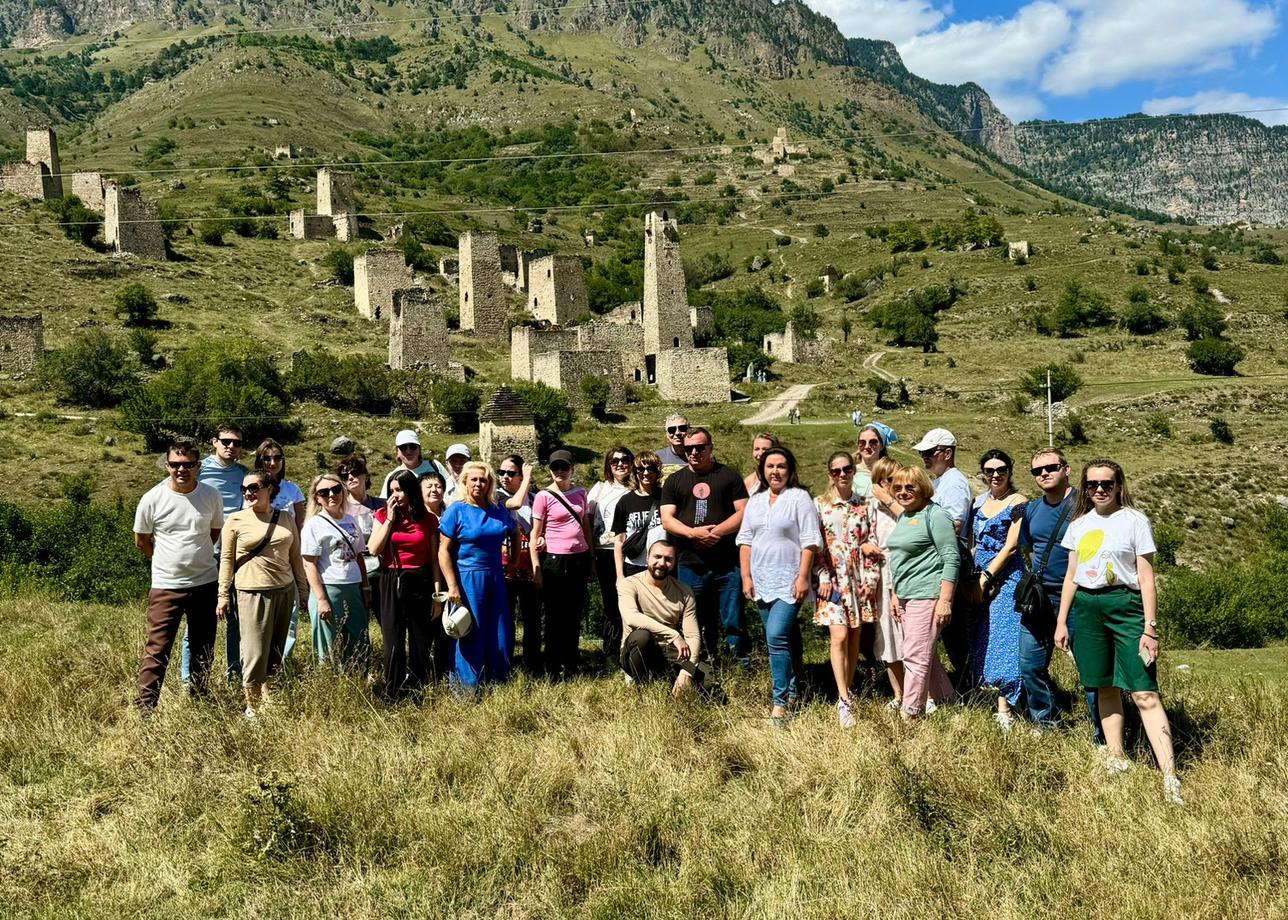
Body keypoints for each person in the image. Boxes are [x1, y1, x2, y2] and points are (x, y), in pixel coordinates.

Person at [1055, 460, 1181, 804]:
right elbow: (1071, 575)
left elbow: (1146, 578)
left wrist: (1149, 628)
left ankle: (1170, 776)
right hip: (1087, 607)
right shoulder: (1078, 525)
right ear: (1085, 486)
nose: (1099, 490)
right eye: (1093, 484)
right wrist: (1062, 621)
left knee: (1144, 692)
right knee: (1104, 686)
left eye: (1106, 484)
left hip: (1126, 607)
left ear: (1118, 485)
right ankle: (1116, 757)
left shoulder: (1135, 521)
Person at [134, 439, 225, 711]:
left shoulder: (211, 495)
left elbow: (213, 533)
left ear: (198, 466)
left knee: (203, 646)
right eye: (175, 464)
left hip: (205, 583)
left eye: (187, 465)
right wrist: (168, 562)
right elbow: (142, 541)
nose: (181, 470)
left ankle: (199, 700)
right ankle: (145, 708)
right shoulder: (152, 499)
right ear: (166, 466)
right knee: (157, 649)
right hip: (166, 586)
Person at [1021, 449, 1102, 739]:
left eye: (1051, 467)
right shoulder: (1032, 509)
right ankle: (1046, 723)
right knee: (1030, 664)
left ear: (1066, 469)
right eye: (1037, 470)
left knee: (1090, 670)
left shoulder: (1085, 503)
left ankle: (1103, 735)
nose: (1044, 473)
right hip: (1040, 599)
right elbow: (1028, 547)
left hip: (1081, 598)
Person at [736, 446, 820, 726]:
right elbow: (745, 540)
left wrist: (802, 578)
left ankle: (779, 703)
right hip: (761, 580)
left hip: (789, 580)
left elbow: (809, 541)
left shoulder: (799, 498)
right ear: (762, 470)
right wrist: (746, 577)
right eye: (770, 466)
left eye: (781, 466)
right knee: (788, 638)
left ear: (790, 469)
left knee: (776, 638)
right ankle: (796, 689)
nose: (775, 471)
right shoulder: (756, 500)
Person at [217, 469, 308, 719]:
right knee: (254, 651)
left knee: (276, 650)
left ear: (270, 489)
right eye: (244, 489)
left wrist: (303, 588)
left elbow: (296, 557)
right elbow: (226, 560)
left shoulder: (286, 518)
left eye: (254, 487)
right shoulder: (235, 521)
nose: (249, 493)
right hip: (251, 592)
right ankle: (251, 707)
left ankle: (270, 700)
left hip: (284, 590)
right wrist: (223, 595)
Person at [661, 427, 750, 667]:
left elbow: (744, 512)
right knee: (694, 621)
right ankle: (700, 667)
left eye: (700, 447)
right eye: (689, 448)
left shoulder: (729, 476)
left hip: (726, 564)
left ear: (711, 447)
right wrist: (692, 533)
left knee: (733, 620)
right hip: (691, 564)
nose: (694, 452)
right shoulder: (675, 480)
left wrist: (717, 533)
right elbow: (667, 518)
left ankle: (740, 669)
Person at [813, 450, 881, 727]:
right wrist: (821, 576)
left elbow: (873, 546)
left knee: (854, 636)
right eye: (836, 470)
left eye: (847, 470)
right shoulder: (819, 505)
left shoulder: (866, 505)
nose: (842, 475)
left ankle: (848, 691)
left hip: (858, 579)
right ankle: (843, 698)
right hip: (831, 578)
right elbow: (814, 546)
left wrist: (871, 581)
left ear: (853, 472)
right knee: (839, 636)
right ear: (829, 474)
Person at [885, 466, 957, 720]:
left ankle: (911, 713)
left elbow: (951, 558)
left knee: (914, 656)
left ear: (923, 488)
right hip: (905, 595)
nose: (903, 492)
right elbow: (900, 558)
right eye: (898, 488)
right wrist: (895, 594)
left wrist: (945, 600)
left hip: (927, 595)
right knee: (926, 654)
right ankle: (949, 702)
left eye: (909, 487)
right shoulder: (905, 515)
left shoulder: (935, 515)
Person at [967, 450, 1029, 731]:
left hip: (1006, 577)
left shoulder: (1018, 502)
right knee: (984, 634)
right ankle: (987, 693)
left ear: (1009, 471)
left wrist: (987, 577)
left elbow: (1012, 545)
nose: (995, 475)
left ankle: (1006, 707)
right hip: (980, 573)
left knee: (1005, 636)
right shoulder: (979, 502)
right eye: (989, 470)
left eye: (1001, 469)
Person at [440, 462, 515, 691]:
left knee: (500, 631)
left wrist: (512, 562)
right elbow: (443, 551)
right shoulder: (456, 510)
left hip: (495, 577)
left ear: (489, 483)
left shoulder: (497, 509)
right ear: (465, 482)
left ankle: (498, 682)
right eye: (474, 479)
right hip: (467, 578)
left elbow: (515, 531)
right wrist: (452, 586)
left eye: (483, 480)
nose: (479, 484)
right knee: (470, 630)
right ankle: (467, 689)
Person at [181, 424, 247, 686]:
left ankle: (235, 675)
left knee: (237, 619)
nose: (231, 446)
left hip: (236, 556)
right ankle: (190, 680)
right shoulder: (198, 469)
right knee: (198, 620)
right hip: (205, 555)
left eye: (237, 443)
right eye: (226, 441)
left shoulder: (244, 474)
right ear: (214, 442)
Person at [368, 469, 441, 700]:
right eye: (392, 491)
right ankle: (394, 691)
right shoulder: (382, 514)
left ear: (411, 491)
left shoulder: (428, 519)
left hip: (421, 580)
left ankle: (418, 688)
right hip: (391, 578)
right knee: (393, 641)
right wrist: (390, 519)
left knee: (419, 640)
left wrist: (438, 595)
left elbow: (435, 559)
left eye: (399, 490)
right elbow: (373, 549)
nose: (395, 495)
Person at [913, 427, 974, 689]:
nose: (925, 457)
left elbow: (954, 525)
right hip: (940, 559)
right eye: (924, 453)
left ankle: (969, 682)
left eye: (930, 452)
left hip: (947, 560)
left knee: (954, 627)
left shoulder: (955, 482)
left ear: (947, 454)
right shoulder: (942, 482)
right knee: (949, 629)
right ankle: (964, 681)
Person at [530, 450, 592, 681]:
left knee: (574, 614)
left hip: (579, 558)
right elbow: (536, 534)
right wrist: (537, 569)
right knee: (554, 615)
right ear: (550, 470)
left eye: (564, 467)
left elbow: (585, 529)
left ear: (572, 470)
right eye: (555, 467)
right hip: (555, 560)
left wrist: (591, 560)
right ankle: (553, 666)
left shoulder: (580, 494)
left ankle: (572, 662)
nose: (559, 471)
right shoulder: (543, 496)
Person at [300, 473, 371, 670]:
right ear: (316, 497)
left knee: (359, 638)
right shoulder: (314, 525)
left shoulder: (351, 520)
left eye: (336, 489)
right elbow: (309, 564)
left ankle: (359, 678)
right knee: (329, 642)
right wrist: (321, 599)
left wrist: (365, 587)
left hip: (353, 586)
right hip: (329, 588)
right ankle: (329, 682)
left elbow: (359, 556)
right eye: (324, 492)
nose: (331, 495)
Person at [617, 541, 703, 694]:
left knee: (709, 687)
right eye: (657, 557)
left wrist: (687, 672)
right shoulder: (629, 584)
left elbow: (693, 636)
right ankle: (642, 689)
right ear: (647, 558)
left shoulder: (685, 592)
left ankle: (669, 678)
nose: (662, 563)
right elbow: (631, 617)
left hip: (670, 655)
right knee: (642, 636)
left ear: (675, 563)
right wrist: (674, 634)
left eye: (668, 559)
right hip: (635, 651)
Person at [588, 445, 636, 658]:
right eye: (614, 460)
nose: (620, 464)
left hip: (633, 552)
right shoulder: (599, 489)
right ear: (608, 465)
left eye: (625, 459)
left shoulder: (638, 488)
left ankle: (633, 648)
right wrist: (590, 555)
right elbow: (587, 523)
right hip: (605, 551)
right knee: (611, 601)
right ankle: (611, 650)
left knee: (634, 601)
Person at [495, 455, 540, 675]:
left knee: (532, 619)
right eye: (501, 472)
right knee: (506, 619)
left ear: (520, 476)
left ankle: (532, 663)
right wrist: (527, 479)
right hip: (505, 569)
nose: (504, 477)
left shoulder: (536, 499)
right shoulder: (496, 497)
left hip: (530, 568)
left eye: (511, 473)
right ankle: (506, 662)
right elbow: (516, 503)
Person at [870, 456, 906, 710]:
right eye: (891, 480)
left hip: (905, 574)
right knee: (886, 638)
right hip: (880, 576)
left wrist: (891, 501)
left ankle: (921, 693)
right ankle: (899, 693)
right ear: (879, 482)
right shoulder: (871, 508)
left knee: (908, 636)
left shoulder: (905, 506)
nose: (897, 485)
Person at [613, 451, 664, 582]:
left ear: (657, 471)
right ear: (634, 472)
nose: (646, 473)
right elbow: (619, 541)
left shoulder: (666, 497)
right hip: (634, 565)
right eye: (641, 469)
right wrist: (619, 575)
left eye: (650, 468)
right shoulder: (625, 502)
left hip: (662, 565)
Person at [378, 429, 450, 498]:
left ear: (419, 449)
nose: (408, 451)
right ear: (397, 451)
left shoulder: (435, 466)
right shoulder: (392, 476)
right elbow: (384, 502)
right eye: (403, 447)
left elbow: (450, 490)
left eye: (413, 447)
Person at [854, 423, 892, 497]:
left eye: (873, 442)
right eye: (862, 442)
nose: (867, 446)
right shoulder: (848, 473)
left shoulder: (891, 473)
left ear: (881, 446)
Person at [742, 432, 779, 496]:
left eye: (765, 449)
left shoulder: (780, 479)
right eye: (756, 449)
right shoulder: (748, 482)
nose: (760, 453)